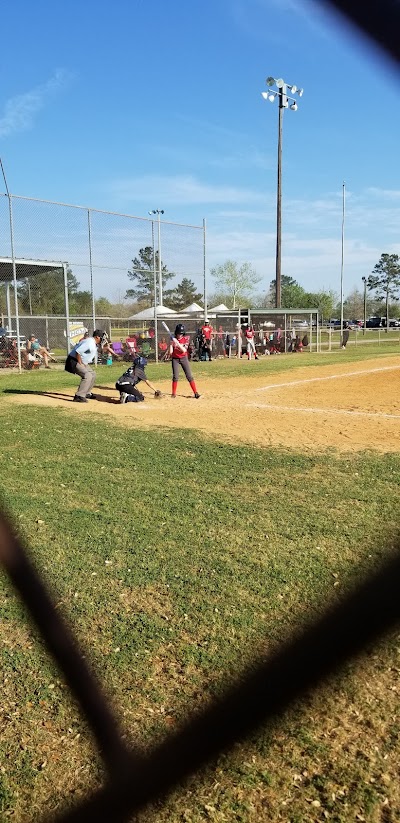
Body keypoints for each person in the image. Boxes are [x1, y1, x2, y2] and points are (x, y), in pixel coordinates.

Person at [64, 329, 105, 403]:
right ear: (97, 337)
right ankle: (79, 396)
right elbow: (78, 352)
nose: (103, 339)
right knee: (87, 375)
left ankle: (87, 393)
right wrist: (80, 363)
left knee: (93, 374)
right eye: (102, 337)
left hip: (80, 361)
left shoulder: (93, 342)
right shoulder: (89, 342)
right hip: (73, 360)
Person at [170, 323, 200, 399]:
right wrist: (172, 343)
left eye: (181, 334)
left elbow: (184, 350)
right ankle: (173, 393)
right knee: (175, 376)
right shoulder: (173, 339)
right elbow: (171, 351)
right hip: (175, 359)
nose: (180, 335)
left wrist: (178, 343)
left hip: (184, 358)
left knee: (189, 376)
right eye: (178, 333)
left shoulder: (186, 338)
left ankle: (195, 392)